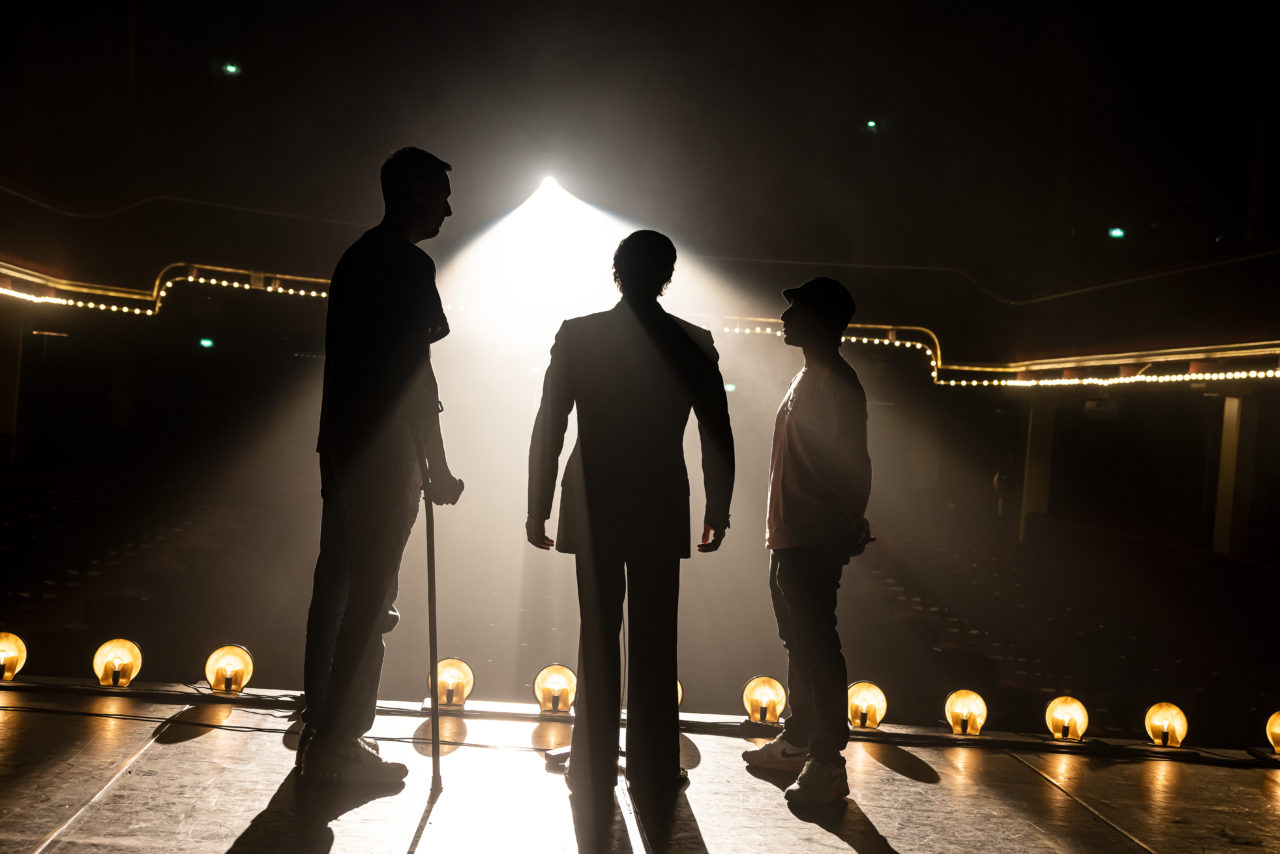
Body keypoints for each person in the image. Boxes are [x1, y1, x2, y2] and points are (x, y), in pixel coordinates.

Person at [526, 230, 735, 808]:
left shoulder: (578, 335)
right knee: (656, 638)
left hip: (594, 503)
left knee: (597, 635)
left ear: (616, 272)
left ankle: (590, 767)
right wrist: (717, 506)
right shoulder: (693, 342)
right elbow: (716, 433)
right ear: (667, 276)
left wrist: (538, 505)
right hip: (659, 502)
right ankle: (654, 769)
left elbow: (550, 424)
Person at [300, 147, 464, 783]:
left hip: (341, 446)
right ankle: (341, 742)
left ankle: (321, 728)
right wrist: (438, 465)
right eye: (442, 196)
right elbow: (417, 374)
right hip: (387, 454)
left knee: (335, 589)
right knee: (372, 597)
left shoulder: (355, 258)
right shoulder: (409, 265)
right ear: (417, 193)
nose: (449, 209)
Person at [742, 277, 872, 807]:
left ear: (819, 320)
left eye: (794, 310)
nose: (784, 318)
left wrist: (846, 522)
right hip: (791, 534)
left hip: (813, 536)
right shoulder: (808, 376)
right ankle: (798, 741)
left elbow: (856, 461)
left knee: (817, 644)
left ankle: (828, 762)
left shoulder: (837, 381)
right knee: (799, 640)